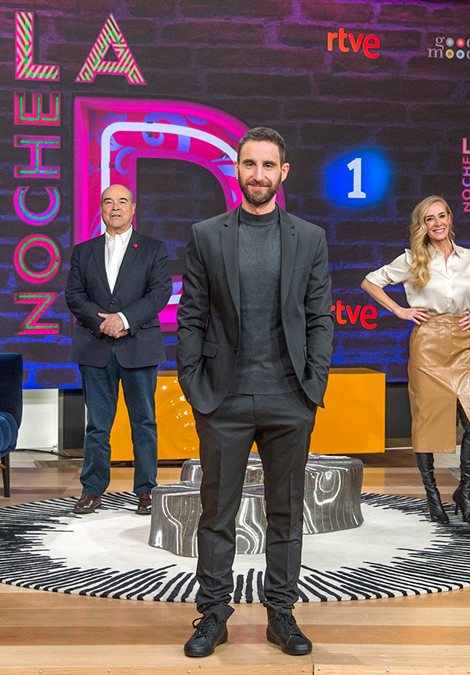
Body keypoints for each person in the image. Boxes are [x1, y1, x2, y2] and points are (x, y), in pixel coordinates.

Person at [176, 127, 334, 658]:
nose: (258, 174)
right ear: (237, 168)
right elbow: (191, 316)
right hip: (222, 399)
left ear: (283, 172)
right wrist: (193, 382)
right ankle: (212, 615)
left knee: (285, 513)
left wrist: (313, 384)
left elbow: (320, 317)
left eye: (269, 165)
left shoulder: (309, 237)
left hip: (289, 398)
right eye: (250, 164)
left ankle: (281, 615)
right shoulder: (206, 235)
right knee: (216, 513)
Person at [361, 196, 470, 526]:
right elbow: (370, 281)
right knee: (426, 424)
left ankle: (464, 493)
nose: (437, 223)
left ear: (450, 218)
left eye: (442, 216)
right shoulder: (413, 258)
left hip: (462, 345)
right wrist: (401, 310)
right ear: (422, 225)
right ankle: (432, 496)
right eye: (429, 219)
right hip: (427, 344)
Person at [64, 184, 172, 516]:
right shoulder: (84, 251)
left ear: (133, 208)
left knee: (144, 422)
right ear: (100, 209)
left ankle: (146, 490)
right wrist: (103, 323)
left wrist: (124, 319)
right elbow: (74, 295)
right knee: (97, 425)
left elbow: (159, 293)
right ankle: (92, 490)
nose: (115, 207)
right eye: (108, 202)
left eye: (122, 201)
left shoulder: (153, 249)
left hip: (139, 347)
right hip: (95, 348)